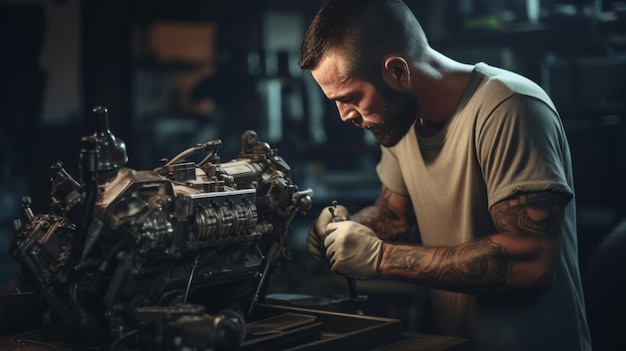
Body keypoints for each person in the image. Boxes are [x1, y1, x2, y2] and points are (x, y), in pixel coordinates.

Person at [299, 1, 591, 350]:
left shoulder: (509, 108)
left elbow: (531, 260)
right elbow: (395, 215)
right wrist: (346, 232)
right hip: (457, 340)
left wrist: (380, 258)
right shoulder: (398, 118)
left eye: (350, 97)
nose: (344, 114)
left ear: (396, 71)